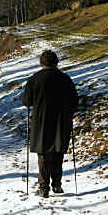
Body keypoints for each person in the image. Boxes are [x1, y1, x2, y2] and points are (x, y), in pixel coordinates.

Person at [22, 50, 79, 198]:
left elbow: (26, 102)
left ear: (41, 63)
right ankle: (57, 185)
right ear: (56, 62)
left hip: (41, 121)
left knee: (43, 154)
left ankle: (43, 187)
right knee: (58, 152)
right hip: (61, 121)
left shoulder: (34, 79)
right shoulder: (65, 78)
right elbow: (75, 102)